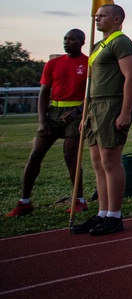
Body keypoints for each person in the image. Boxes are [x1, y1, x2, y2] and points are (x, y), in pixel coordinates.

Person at [70, 4, 132, 236]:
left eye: (102, 16)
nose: (97, 19)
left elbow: (131, 77)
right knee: (98, 162)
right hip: (94, 106)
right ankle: (102, 212)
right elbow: (91, 83)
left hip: (112, 104)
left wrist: (125, 111)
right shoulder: (99, 46)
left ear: (117, 19)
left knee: (110, 160)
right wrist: (86, 113)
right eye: (96, 16)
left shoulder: (121, 42)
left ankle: (115, 216)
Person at [7, 29, 89, 217]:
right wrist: (42, 120)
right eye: (65, 39)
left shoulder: (88, 64)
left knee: (70, 154)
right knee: (36, 154)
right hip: (53, 112)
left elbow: (91, 93)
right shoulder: (53, 64)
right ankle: (24, 201)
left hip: (76, 112)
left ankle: (79, 200)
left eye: (72, 39)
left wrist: (77, 111)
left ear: (82, 42)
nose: (67, 42)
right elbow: (44, 92)